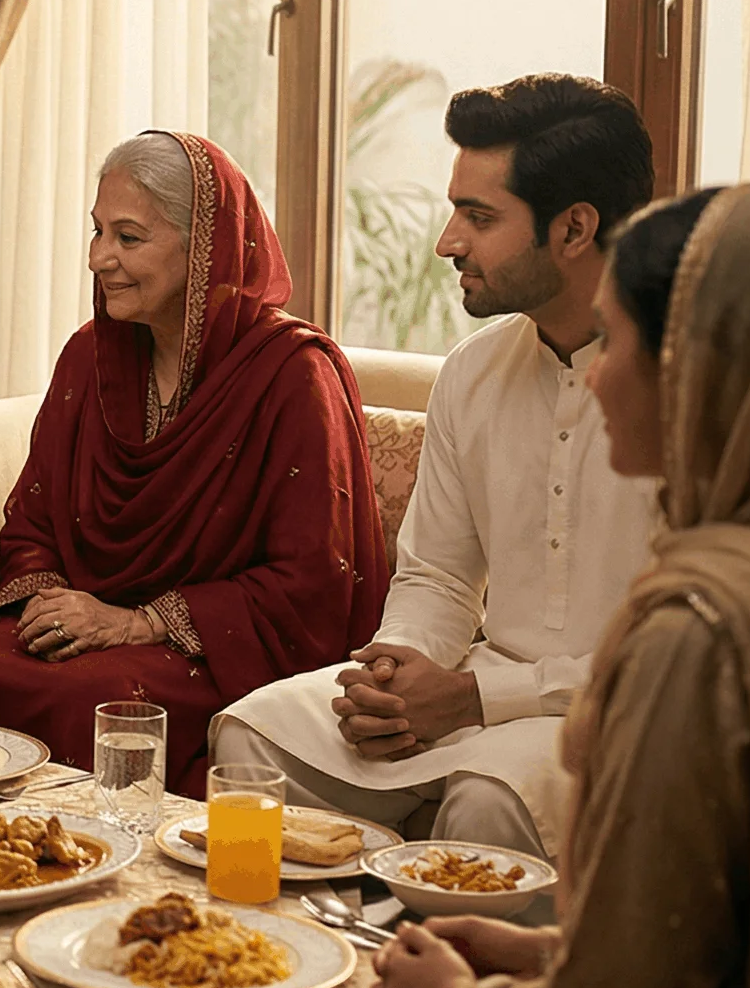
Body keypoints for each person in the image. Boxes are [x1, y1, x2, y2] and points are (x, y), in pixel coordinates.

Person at [237, 185, 750, 988]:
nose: (597, 376)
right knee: (259, 732)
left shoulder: (701, 631)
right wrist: (540, 949)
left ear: (702, 375)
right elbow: (730, 936)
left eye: (622, 343)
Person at [213, 75, 660, 858]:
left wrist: (476, 697)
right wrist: (398, 669)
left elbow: (681, 650)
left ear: (575, 228)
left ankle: (451, 945)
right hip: (474, 690)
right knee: (254, 735)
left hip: (620, 711)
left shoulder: (692, 386)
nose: (447, 242)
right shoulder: (473, 371)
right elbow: (440, 576)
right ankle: (292, 939)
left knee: (488, 801)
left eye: (479, 218)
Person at [0, 131, 386, 797]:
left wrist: (139, 623)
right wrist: (54, 606)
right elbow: (34, 520)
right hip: (94, 625)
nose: (98, 258)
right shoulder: (90, 357)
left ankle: (94, 856)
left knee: (103, 698)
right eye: (97, 231)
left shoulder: (293, 374)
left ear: (205, 248)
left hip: (221, 646)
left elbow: (311, 580)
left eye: (128, 238)